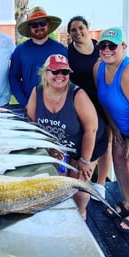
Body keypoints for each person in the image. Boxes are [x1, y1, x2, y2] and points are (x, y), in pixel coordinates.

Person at [27, 54, 108, 220]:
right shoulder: (37, 92)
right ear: (45, 73)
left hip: (88, 143)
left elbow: (91, 130)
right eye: (55, 71)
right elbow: (32, 123)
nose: (60, 76)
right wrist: (49, 147)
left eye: (65, 71)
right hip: (63, 143)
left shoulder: (77, 95)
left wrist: (85, 160)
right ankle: (64, 218)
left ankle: (81, 215)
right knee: (61, 182)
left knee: (79, 183)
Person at [93, 27, 129, 233]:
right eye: (102, 45)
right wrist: (115, 130)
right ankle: (128, 202)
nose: (106, 49)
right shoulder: (98, 68)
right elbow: (104, 102)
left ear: (123, 47)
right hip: (122, 127)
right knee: (118, 159)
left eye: (112, 45)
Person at [67, 15, 112, 200]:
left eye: (80, 28)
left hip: (103, 100)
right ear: (69, 34)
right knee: (84, 141)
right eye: (73, 30)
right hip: (82, 104)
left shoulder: (101, 48)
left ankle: (101, 184)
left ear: (88, 28)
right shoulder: (68, 51)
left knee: (107, 142)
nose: (77, 32)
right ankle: (80, 181)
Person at [9, 6, 67, 108]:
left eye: (43, 23)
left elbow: (68, 78)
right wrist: (25, 103)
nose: (39, 27)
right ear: (29, 28)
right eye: (34, 24)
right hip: (30, 105)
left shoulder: (61, 49)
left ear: (48, 24)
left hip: (58, 106)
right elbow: (13, 78)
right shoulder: (20, 50)